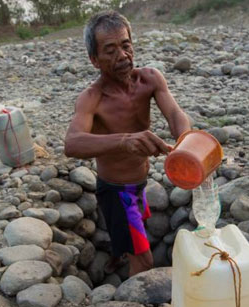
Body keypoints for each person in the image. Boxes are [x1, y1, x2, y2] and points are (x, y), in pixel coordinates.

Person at [64, 11, 192, 277]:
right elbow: (72, 143)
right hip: (116, 191)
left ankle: (117, 256)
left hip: (139, 184)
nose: (122, 56)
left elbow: (175, 114)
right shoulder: (92, 98)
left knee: (131, 234)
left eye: (125, 45)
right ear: (94, 60)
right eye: (109, 50)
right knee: (144, 259)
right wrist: (125, 141)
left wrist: (186, 143)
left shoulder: (150, 79)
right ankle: (137, 304)